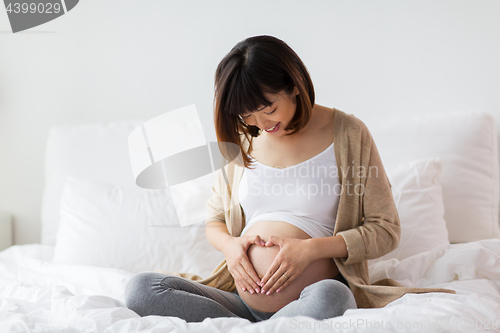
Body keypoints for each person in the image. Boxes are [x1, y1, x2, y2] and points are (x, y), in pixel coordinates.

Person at [124, 35, 455, 323]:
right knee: (142, 290)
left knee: (333, 297)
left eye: (267, 108)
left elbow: (385, 229)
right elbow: (214, 220)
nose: (260, 123)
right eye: (246, 114)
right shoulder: (244, 141)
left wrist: (310, 251)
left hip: (310, 299)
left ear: (294, 85)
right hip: (239, 303)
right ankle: (260, 327)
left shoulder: (349, 134)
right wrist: (233, 248)